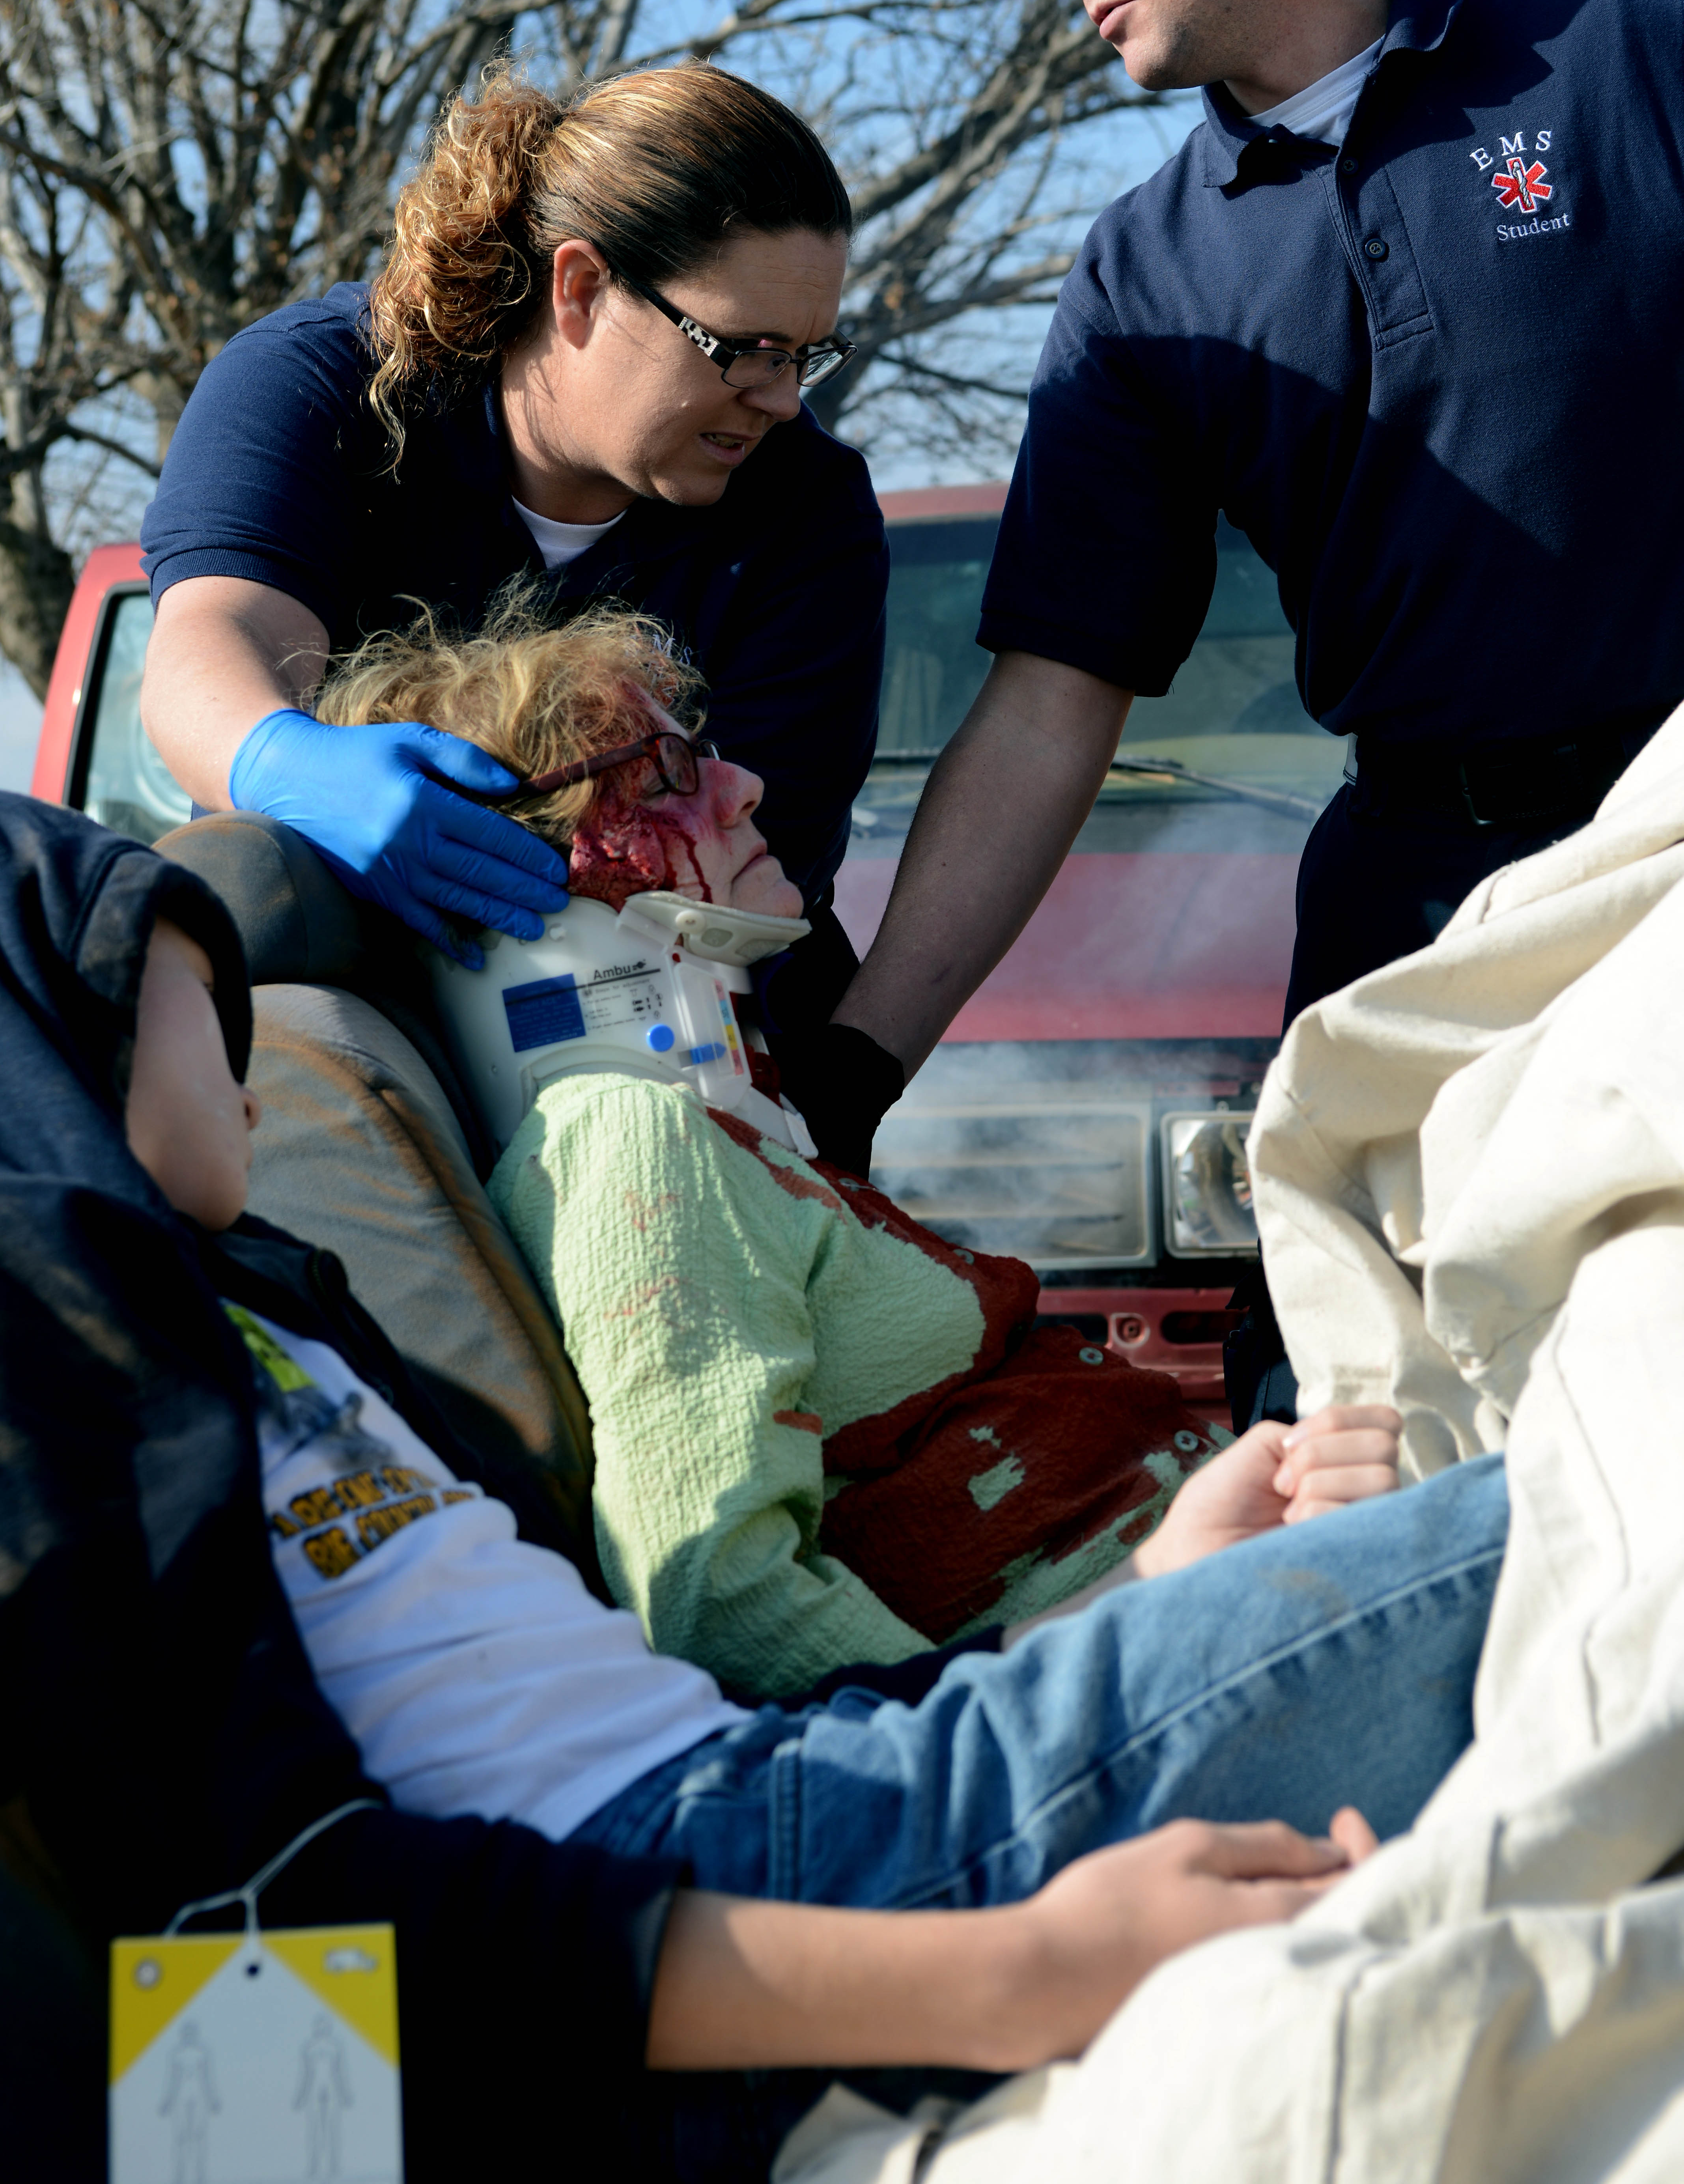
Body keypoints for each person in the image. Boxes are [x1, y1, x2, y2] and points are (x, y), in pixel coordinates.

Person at [0, 787, 1505, 2180]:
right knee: (1574, 1538)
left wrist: (1121, 1607)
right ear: (13, 1005)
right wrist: (1008, 1975)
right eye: (195, 995)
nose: (253, 1061)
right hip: (729, 1909)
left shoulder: (253, 1301)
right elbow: (255, 1916)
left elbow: (653, 1710)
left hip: (809, 1799)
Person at [791, 0, 1684, 1409]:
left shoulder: (1628, 65)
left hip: (1670, 854)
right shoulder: (1142, 280)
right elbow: (1055, 700)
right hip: (1416, 909)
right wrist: (852, 1066)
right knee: (1341, 1422)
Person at [310, 593, 1398, 1695]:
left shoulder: (724, 1121)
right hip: (1142, 1687)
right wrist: (1139, 1598)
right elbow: (714, 1600)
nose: (745, 787)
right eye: (668, 774)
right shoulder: (629, 1134)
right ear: (529, 867)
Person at [136, 59, 885, 1041]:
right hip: (345, 1003)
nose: (784, 399)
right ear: (579, 289)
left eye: (805, 355)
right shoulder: (321, 387)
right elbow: (210, 644)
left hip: (676, 1026)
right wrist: (278, 755)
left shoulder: (807, 509)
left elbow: (752, 873)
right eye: (743, 347)